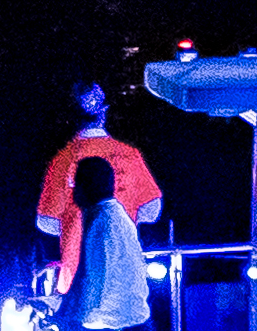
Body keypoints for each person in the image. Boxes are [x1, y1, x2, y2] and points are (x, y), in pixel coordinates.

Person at [36, 84, 162, 285]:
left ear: (73, 117)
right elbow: (152, 211)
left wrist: (72, 226)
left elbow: (46, 221)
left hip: (76, 280)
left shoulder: (61, 161)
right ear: (104, 113)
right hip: (124, 279)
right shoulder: (129, 155)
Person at [63, 156, 156, 331]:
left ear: (87, 186)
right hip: (131, 328)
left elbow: (94, 279)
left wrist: (69, 319)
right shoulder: (111, 216)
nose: (72, 191)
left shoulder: (103, 222)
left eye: (76, 184)